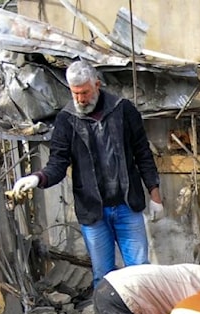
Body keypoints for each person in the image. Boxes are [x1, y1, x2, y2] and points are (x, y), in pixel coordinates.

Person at [13, 60, 164, 287]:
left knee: (140, 271)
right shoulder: (66, 119)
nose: (81, 99)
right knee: (102, 277)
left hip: (127, 205)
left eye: (85, 92)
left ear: (97, 84)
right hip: (93, 211)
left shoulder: (123, 110)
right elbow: (58, 163)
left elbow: (143, 154)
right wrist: (37, 178)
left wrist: (155, 196)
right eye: (75, 94)